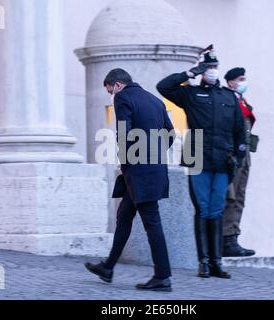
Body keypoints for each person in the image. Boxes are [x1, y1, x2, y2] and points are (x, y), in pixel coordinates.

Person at [157, 46, 246, 279]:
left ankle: (217, 263)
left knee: (217, 210)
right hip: (198, 159)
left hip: (222, 162)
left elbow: (239, 132)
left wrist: (238, 157)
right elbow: (163, 86)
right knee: (203, 210)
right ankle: (203, 262)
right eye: (208, 67)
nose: (212, 71)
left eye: (214, 67)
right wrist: (190, 73)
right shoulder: (191, 94)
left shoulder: (229, 97)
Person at [85, 68, 175, 292]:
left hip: (138, 172)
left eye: (109, 90)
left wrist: (128, 160)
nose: (111, 95)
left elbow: (123, 133)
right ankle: (108, 267)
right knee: (124, 216)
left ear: (116, 85)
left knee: (152, 222)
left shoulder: (123, 97)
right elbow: (170, 134)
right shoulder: (155, 100)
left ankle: (163, 277)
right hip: (153, 169)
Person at [222, 67, 257, 257]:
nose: (244, 82)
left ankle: (233, 236)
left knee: (240, 197)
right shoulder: (227, 100)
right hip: (233, 154)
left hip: (244, 155)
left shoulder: (241, 101)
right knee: (231, 196)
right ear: (231, 83)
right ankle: (226, 238)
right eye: (241, 79)